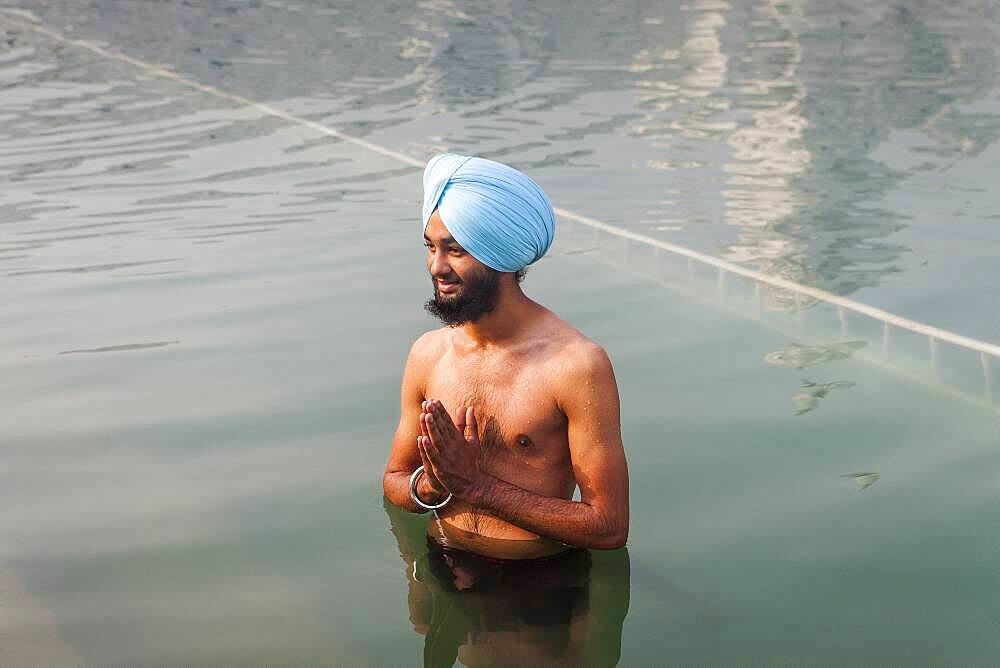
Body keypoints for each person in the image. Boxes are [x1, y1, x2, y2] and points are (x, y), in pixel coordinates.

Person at [382, 153, 629, 560]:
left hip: (537, 586)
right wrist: (433, 485)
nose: (436, 267)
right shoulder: (428, 353)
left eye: (455, 250)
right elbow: (394, 479)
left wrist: (476, 487)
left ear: (500, 256)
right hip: (440, 559)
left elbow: (608, 526)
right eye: (430, 247)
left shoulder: (576, 365)